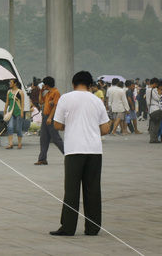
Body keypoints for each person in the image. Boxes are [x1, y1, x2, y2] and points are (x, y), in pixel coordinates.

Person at [50, 71, 110, 236]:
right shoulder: (97, 101)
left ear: (73, 83)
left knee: (72, 190)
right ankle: (92, 228)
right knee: (93, 189)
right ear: (90, 85)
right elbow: (105, 128)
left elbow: (57, 125)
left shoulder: (66, 98)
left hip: (74, 149)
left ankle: (68, 227)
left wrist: (69, 126)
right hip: (94, 150)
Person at [35, 76, 64, 165]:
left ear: (47, 85)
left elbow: (56, 106)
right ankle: (42, 159)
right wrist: (40, 92)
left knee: (56, 138)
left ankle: (68, 154)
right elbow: (40, 102)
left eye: (44, 84)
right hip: (45, 116)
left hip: (51, 117)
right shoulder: (47, 93)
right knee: (43, 138)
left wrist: (50, 117)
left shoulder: (56, 92)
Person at [4, 78, 25, 149]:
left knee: (19, 128)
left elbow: (22, 103)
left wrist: (22, 112)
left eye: (11, 82)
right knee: (10, 127)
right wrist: (5, 110)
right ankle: (10, 144)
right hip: (11, 112)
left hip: (18, 112)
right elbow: (7, 102)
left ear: (15, 83)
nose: (9, 84)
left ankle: (19, 143)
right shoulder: (9, 92)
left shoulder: (20, 92)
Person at [145, 78, 162, 143]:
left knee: (152, 125)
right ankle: (154, 139)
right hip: (156, 109)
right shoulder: (151, 90)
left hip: (151, 109)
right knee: (156, 125)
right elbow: (158, 98)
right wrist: (160, 93)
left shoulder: (148, 90)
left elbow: (148, 102)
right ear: (154, 83)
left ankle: (152, 139)